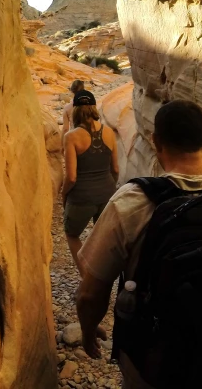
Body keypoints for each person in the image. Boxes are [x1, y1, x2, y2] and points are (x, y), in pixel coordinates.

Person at [75, 99, 202, 389]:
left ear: (156, 142)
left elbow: (90, 294)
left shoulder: (132, 203)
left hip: (154, 364)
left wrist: (87, 331)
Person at [62, 89, 119, 277]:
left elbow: (71, 177)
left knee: (72, 235)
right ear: (94, 107)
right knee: (101, 237)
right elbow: (116, 169)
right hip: (106, 192)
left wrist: (64, 195)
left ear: (75, 110)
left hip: (81, 197)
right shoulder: (109, 132)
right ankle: (101, 276)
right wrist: (110, 188)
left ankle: (86, 277)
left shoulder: (71, 137)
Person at [61, 79, 85, 150]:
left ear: (71, 91)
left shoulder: (67, 107)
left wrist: (62, 145)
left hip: (74, 138)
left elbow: (65, 128)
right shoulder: (88, 106)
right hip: (87, 138)